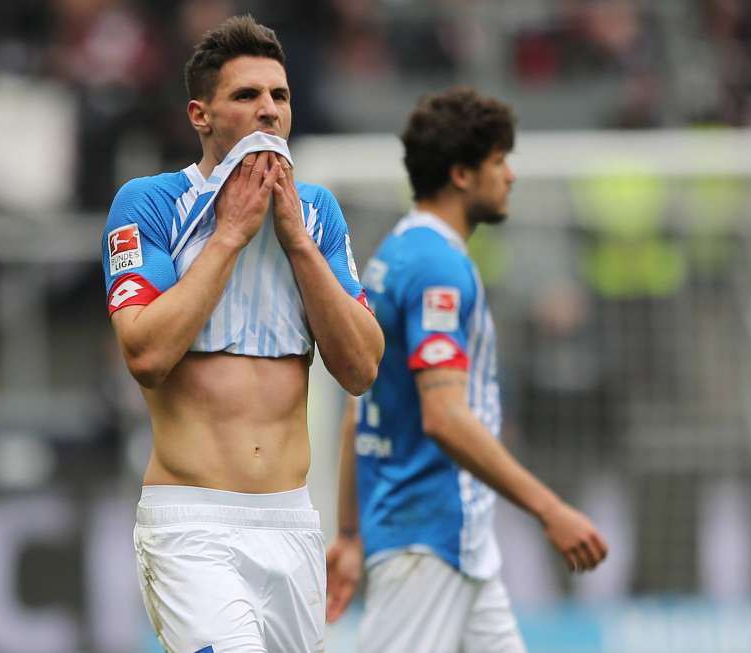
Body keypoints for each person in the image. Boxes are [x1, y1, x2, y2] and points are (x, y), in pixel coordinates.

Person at [99, 15, 384, 653]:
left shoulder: (317, 214)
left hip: (292, 522)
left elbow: (362, 368)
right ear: (200, 115)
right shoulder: (150, 204)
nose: (268, 110)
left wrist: (298, 245)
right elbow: (145, 353)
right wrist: (230, 235)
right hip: (193, 526)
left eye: (280, 95)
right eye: (247, 95)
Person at [325, 87, 608, 652]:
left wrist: (351, 533)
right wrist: (550, 510)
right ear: (461, 174)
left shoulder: (394, 255)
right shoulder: (436, 267)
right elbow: (445, 416)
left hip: (456, 542)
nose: (510, 176)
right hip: (427, 536)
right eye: (498, 161)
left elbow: (360, 410)